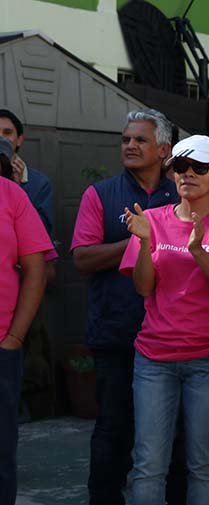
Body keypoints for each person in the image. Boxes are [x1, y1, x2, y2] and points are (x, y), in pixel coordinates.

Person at [120, 134, 209, 504]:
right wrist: (146, 244)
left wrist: (197, 251)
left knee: (203, 464)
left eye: (199, 167)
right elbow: (143, 288)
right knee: (149, 464)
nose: (187, 174)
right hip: (154, 359)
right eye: (180, 167)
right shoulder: (150, 219)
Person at [71, 109, 188, 505]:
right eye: (125, 140)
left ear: (164, 149)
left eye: (140, 140)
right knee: (114, 428)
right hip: (118, 331)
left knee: (177, 432)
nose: (130, 146)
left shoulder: (185, 193)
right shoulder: (100, 195)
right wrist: (142, 238)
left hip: (176, 336)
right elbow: (82, 258)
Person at [0, 137, 53, 505]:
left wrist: (15, 337)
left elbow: (37, 270)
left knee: (0, 453)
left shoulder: (11, 196)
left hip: (1, 345)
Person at [0, 109, 53, 233]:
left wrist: (17, 190)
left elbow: (42, 231)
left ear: (19, 139)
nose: (1, 137)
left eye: (7, 132)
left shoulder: (40, 183)